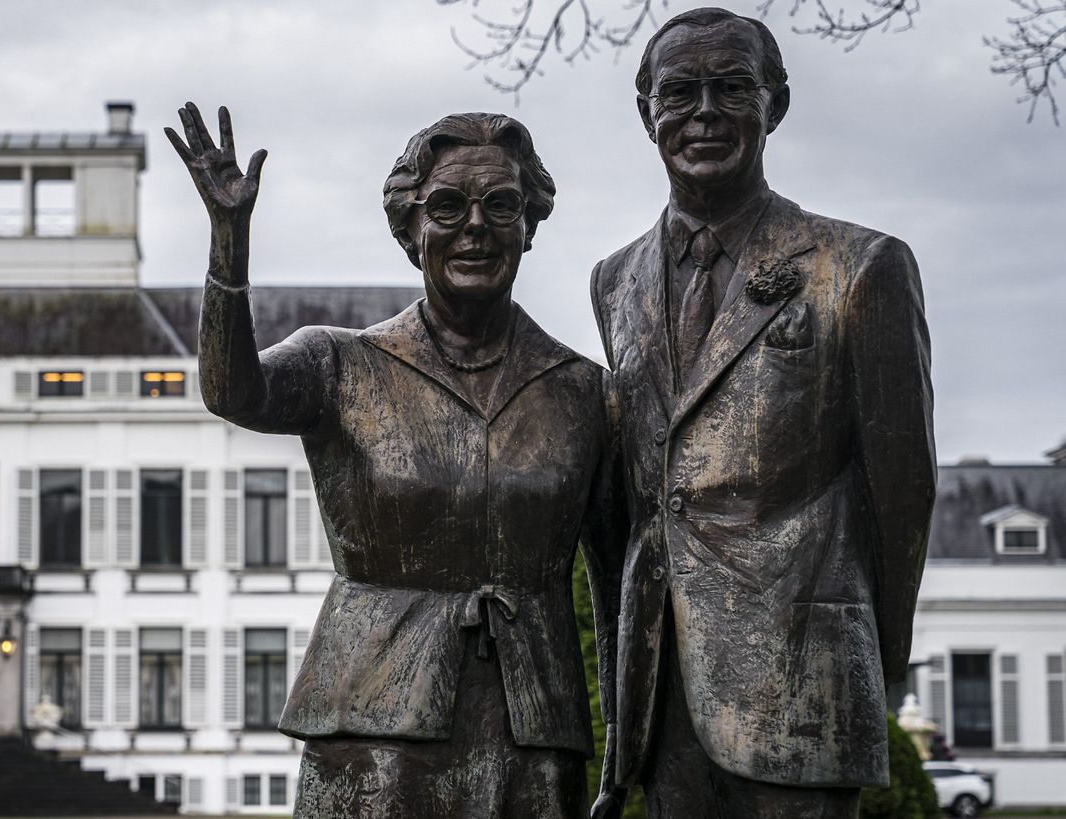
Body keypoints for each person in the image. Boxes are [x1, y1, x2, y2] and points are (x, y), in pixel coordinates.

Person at [167, 103, 619, 818]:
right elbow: (234, 391)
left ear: (529, 226)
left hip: (533, 734)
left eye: (501, 205)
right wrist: (229, 245)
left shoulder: (583, 390)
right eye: (447, 205)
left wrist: (619, 742)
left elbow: (615, 581)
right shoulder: (339, 362)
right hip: (370, 728)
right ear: (411, 230)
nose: (475, 225)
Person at [588, 8, 936, 819]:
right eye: (679, 92)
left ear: (774, 104)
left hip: (805, 679)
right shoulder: (614, 280)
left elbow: (903, 491)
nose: (703, 112)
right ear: (647, 114)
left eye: (731, 88)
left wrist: (869, 662)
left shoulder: (860, 268)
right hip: (664, 684)